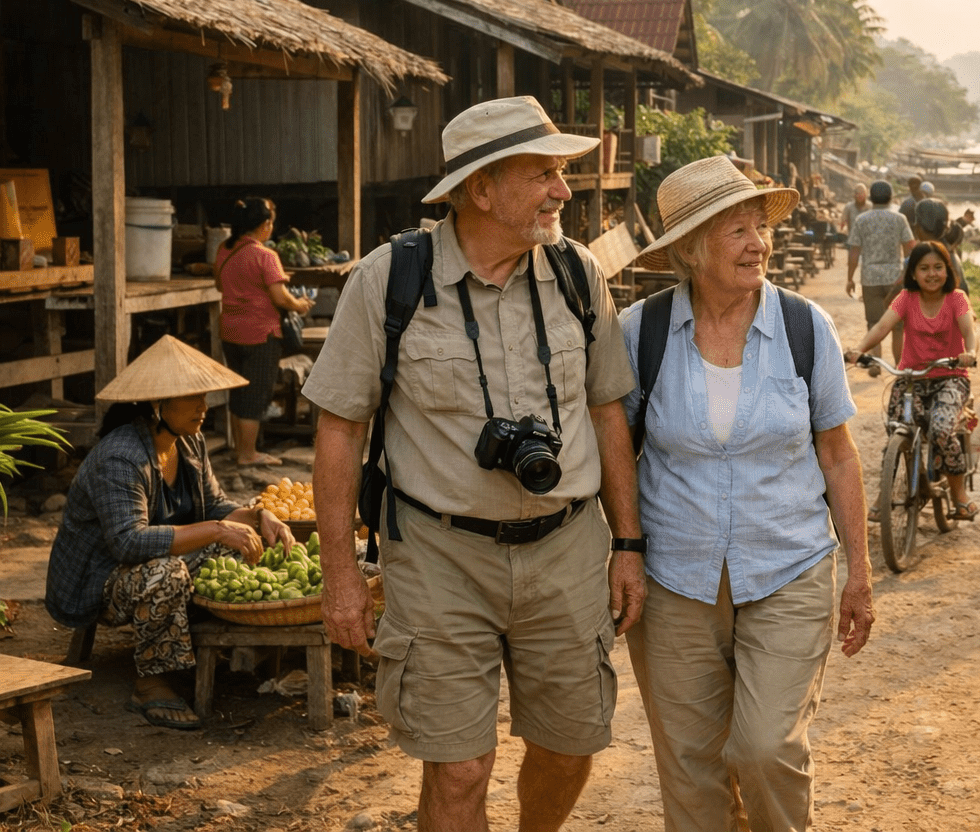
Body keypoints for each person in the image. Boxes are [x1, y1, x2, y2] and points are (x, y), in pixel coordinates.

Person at [303, 96, 645, 832]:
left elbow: (608, 410)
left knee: (569, 744)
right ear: (482, 189)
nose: (564, 190)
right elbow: (339, 428)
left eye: (563, 173)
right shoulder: (388, 281)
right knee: (458, 767)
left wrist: (627, 543)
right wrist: (340, 575)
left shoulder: (579, 275)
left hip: (566, 550)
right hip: (438, 555)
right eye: (545, 174)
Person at [620, 154, 873, 832]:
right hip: (675, 580)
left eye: (758, 226)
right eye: (735, 230)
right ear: (689, 248)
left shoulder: (803, 326)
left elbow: (838, 455)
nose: (757, 243)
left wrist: (860, 573)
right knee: (691, 769)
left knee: (766, 748)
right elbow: (615, 454)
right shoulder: (640, 333)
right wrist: (620, 551)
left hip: (787, 568)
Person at [46, 335, 295, 730]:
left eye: (205, 396)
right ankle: (151, 683)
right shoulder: (121, 457)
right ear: (156, 405)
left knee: (242, 545)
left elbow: (215, 504)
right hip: (98, 579)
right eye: (193, 398)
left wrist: (256, 516)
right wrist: (217, 530)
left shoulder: (190, 441)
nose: (203, 407)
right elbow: (128, 543)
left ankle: (205, 646)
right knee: (168, 573)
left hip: (149, 559)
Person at [845, 241, 979, 520]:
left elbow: (968, 329)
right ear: (914, 273)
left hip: (950, 377)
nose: (932, 274)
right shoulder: (906, 298)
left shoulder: (956, 298)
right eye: (924, 268)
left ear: (948, 270)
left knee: (942, 429)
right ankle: (886, 496)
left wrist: (970, 352)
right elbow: (882, 326)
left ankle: (959, 495)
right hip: (910, 379)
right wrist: (860, 351)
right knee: (898, 430)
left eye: (938, 267)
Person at [213, 196, 313, 468]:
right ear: (265, 225)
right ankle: (248, 454)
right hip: (260, 333)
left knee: (238, 392)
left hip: (230, 331)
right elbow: (281, 298)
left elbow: (220, 285)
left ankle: (240, 450)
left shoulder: (224, 249)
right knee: (256, 395)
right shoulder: (265, 256)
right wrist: (301, 305)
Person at [846, 180, 915, 368]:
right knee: (898, 326)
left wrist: (850, 278)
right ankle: (900, 365)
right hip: (896, 278)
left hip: (870, 278)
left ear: (870, 197)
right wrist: (906, 271)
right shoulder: (900, 219)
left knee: (874, 322)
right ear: (891, 197)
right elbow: (910, 248)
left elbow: (854, 252)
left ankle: (875, 363)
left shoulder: (862, 220)